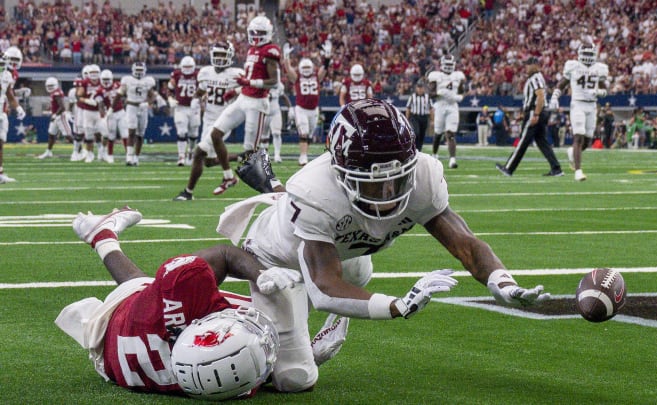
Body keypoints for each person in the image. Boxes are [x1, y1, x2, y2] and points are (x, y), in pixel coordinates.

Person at [216, 99, 550, 392]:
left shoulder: (424, 176)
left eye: (397, 178)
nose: (389, 193)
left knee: (359, 270)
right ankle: (242, 305)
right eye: (374, 184)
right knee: (295, 378)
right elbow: (325, 288)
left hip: (347, 253)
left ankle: (291, 313)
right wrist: (397, 305)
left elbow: (465, 242)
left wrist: (501, 282)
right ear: (340, 174)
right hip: (279, 260)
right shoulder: (315, 191)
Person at [55, 207, 302, 399]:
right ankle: (101, 235)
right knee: (142, 287)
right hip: (115, 363)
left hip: (121, 325)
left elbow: (225, 254)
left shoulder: (178, 292)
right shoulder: (223, 379)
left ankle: (102, 234)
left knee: (138, 286)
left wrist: (260, 273)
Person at [207, 15, 281, 195]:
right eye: (254, 32)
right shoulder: (252, 49)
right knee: (216, 134)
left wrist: (248, 83)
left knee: (251, 154)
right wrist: (238, 91)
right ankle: (228, 177)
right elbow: (250, 80)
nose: (256, 36)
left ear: (268, 33)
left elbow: (274, 82)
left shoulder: (270, 51)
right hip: (244, 99)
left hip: (257, 103)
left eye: (260, 33)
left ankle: (275, 186)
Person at [172, 41, 246, 201]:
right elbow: (201, 90)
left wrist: (236, 91)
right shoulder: (205, 72)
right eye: (217, 55)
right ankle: (242, 157)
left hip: (224, 119)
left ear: (230, 56)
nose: (219, 58)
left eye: (222, 55)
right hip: (208, 120)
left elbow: (249, 89)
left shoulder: (237, 73)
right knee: (208, 161)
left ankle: (188, 192)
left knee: (198, 152)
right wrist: (195, 99)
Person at [549, 41, 609, 181]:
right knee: (578, 136)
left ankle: (571, 152)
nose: (588, 56)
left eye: (590, 53)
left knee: (587, 140)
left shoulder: (599, 68)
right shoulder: (574, 66)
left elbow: (605, 90)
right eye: (586, 53)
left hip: (592, 106)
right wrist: (554, 97)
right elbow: (562, 83)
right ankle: (578, 171)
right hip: (578, 104)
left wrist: (598, 92)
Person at [495, 59, 563, 177]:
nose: (526, 67)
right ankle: (556, 168)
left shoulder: (535, 78)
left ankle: (509, 168)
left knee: (523, 141)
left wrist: (535, 114)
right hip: (536, 111)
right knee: (542, 142)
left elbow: (540, 96)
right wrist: (524, 115)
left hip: (535, 112)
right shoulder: (536, 78)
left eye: (528, 65)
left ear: (535, 65)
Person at [284, 56, 326, 166]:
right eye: (305, 67)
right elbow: (288, 69)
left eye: (308, 67)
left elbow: (324, 68)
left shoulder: (316, 76)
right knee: (304, 133)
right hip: (301, 109)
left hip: (314, 110)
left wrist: (327, 57)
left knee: (309, 135)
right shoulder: (297, 77)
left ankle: (304, 154)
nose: (307, 69)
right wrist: (286, 57)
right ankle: (303, 156)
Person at [115, 62, 156, 166]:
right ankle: (129, 156)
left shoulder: (148, 81)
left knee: (140, 134)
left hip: (143, 108)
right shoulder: (127, 80)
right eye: (137, 70)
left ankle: (136, 157)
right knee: (131, 132)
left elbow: (152, 96)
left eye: (140, 70)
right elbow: (119, 94)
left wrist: (146, 103)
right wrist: (112, 107)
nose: (139, 73)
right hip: (131, 107)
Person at [428, 54, 465, 169]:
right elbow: (431, 94)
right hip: (440, 105)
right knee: (438, 133)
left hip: (452, 106)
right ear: (442, 65)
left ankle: (452, 160)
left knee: (450, 133)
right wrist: (440, 93)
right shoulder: (435, 76)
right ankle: (434, 154)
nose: (449, 67)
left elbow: (461, 91)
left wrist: (459, 97)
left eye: (450, 64)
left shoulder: (458, 76)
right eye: (447, 64)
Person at [168, 56, 201, 166]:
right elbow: (170, 89)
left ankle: (190, 152)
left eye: (189, 67)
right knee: (181, 132)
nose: (187, 69)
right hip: (180, 107)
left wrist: (200, 99)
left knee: (193, 134)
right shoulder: (176, 74)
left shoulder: (198, 75)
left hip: (194, 108)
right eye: (185, 67)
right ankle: (181, 156)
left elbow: (204, 90)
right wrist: (170, 99)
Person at [0, 49, 25, 184]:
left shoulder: (8, 76)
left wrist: (18, 107)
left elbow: (9, 92)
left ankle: (0, 172)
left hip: (2, 112)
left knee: (0, 142)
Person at [75, 64, 107, 163]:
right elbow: (78, 96)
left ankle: (101, 152)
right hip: (87, 111)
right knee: (88, 134)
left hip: (99, 111)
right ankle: (90, 154)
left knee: (101, 133)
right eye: (92, 73)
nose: (94, 75)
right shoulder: (85, 82)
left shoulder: (103, 82)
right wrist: (86, 100)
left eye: (95, 73)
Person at [38, 77, 72, 160]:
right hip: (56, 116)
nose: (50, 87)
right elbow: (57, 105)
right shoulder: (54, 93)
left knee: (68, 136)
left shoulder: (57, 93)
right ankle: (48, 151)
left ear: (56, 85)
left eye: (51, 86)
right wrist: (51, 110)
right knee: (51, 134)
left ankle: (80, 151)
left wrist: (55, 115)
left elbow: (62, 107)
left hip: (60, 116)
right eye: (48, 86)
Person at [99, 69, 126, 164]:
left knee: (125, 134)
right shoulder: (99, 90)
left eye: (108, 79)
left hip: (121, 111)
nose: (106, 81)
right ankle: (110, 155)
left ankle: (129, 155)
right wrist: (103, 115)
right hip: (110, 114)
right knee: (111, 135)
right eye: (104, 79)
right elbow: (100, 104)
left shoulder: (117, 85)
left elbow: (125, 94)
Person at [405, 81, 432, 151]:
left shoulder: (427, 97)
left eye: (421, 87)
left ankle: (419, 149)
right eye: (418, 87)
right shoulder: (412, 97)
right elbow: (408, 108)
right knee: (417, 132)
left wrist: (432, 120)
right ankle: (416, 148)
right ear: (416, 88)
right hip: (415, 117)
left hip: (424, 117)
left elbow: (431, 109)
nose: (420, 89)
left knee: (422, 134)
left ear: (424, 88)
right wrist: (406, 119)